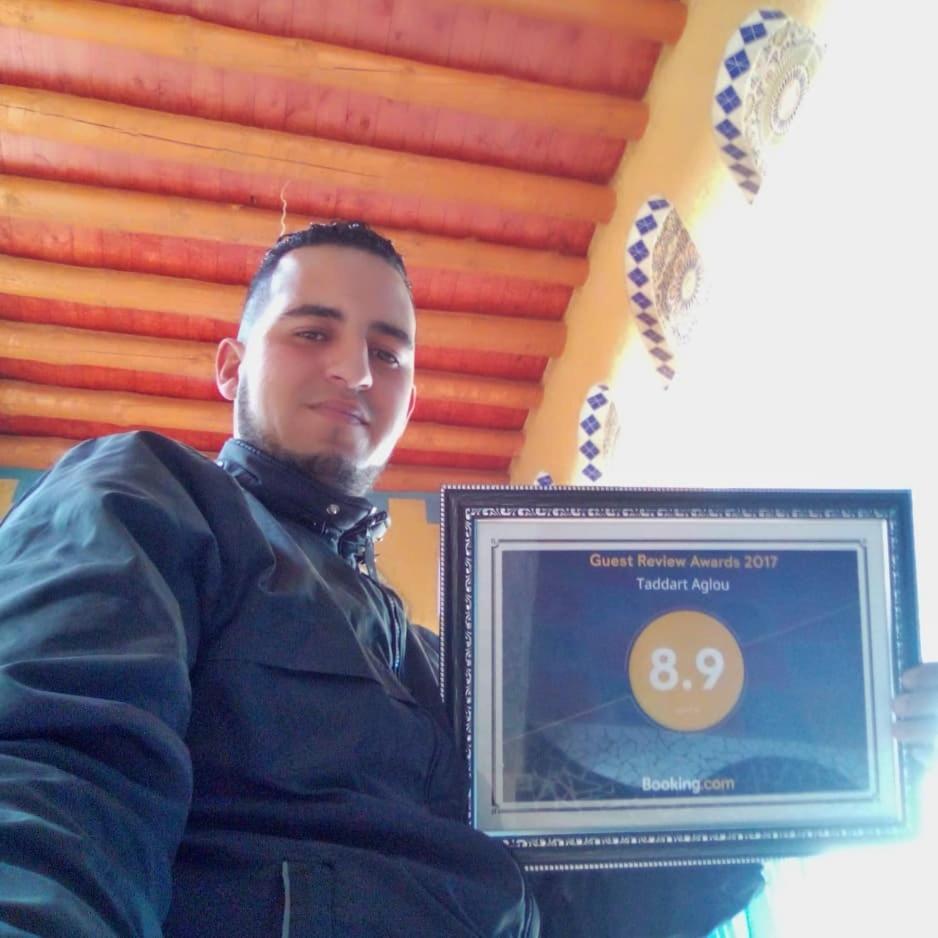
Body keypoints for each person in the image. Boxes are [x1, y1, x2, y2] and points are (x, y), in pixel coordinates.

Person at [0, 221, 934, 937]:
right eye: (312, 331)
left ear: (410, 396)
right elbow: (53, 773)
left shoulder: (455, 666)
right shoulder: (145, 490)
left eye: (388, 352)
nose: (353, 370)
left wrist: (828, 770)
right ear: (230, 366)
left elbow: (575, 907)